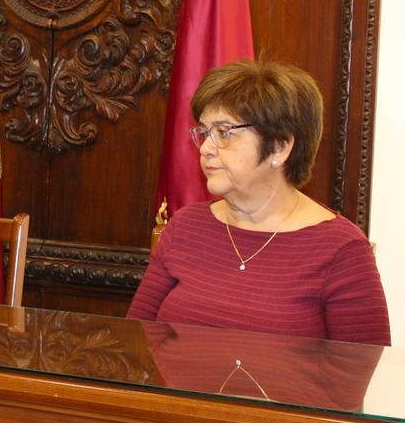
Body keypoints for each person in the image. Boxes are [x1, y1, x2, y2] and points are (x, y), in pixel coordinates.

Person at [128, 60, 390, 345]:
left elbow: (363, 374)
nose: (205, 149)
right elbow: (136, 342)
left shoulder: (341, 249)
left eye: (224, 133)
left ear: (279, 146)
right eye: (204, 132)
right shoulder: (185, 227)